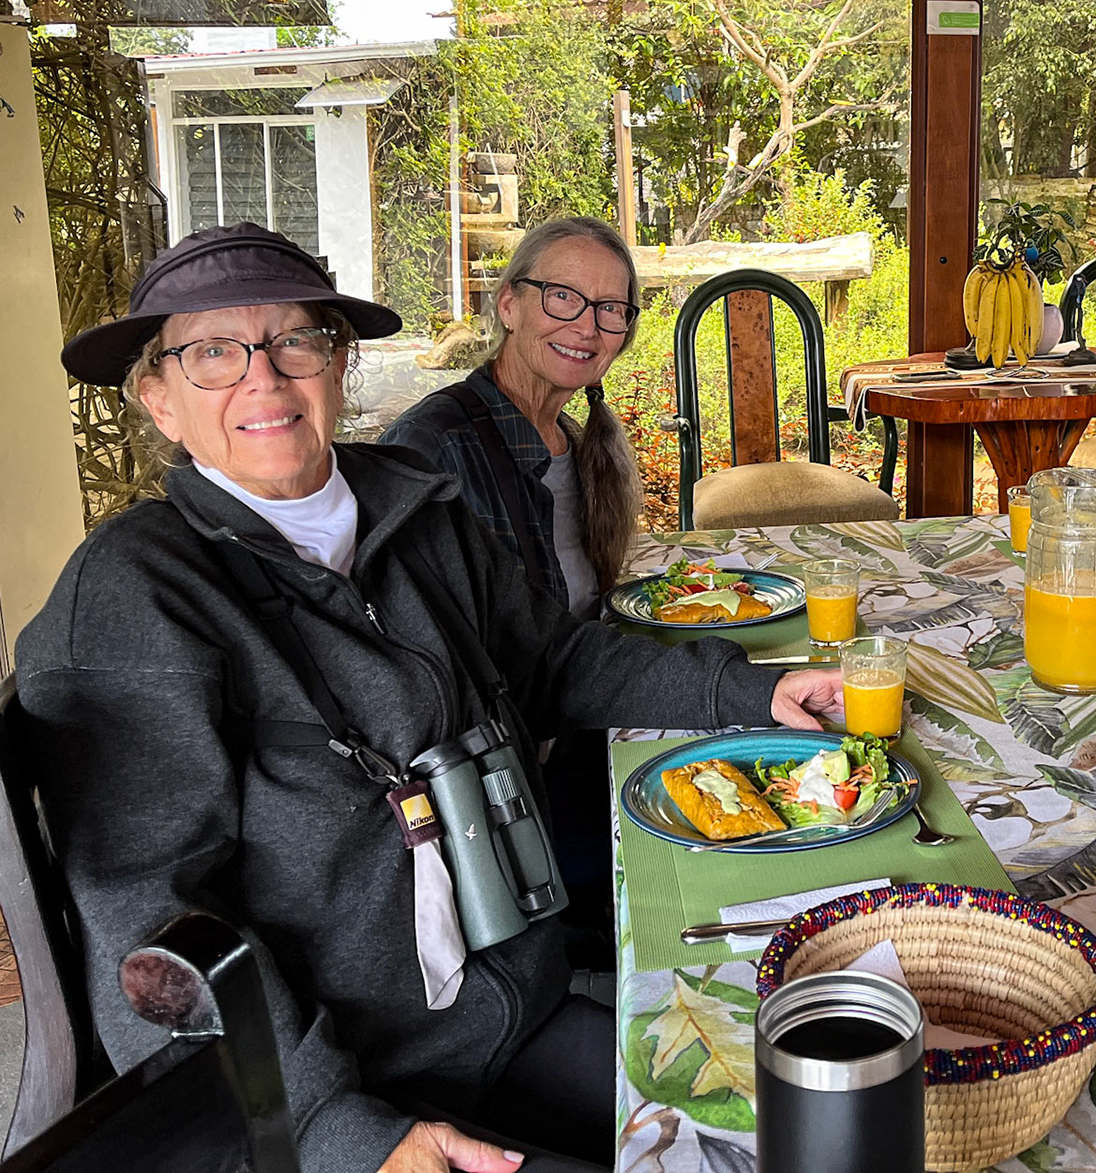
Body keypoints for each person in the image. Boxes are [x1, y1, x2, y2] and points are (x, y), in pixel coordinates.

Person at [16, 223, 842, 1173]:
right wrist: (344, 1136)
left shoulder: (411, 506)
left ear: (339, 365)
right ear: (158, 398)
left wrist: (752, 689)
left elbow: (558, 660)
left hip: (506, 1015)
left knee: (815, 1121)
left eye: (296, 339)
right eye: (211, 352)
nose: (264, 377)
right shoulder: (133, 598)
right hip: (339, 1092)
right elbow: (152, 939)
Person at [381, 216, 643, 619]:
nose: (586, 327)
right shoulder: (432, 446)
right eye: (562, 297)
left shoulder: (572, 440)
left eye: (609, 308)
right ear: (508, 306)